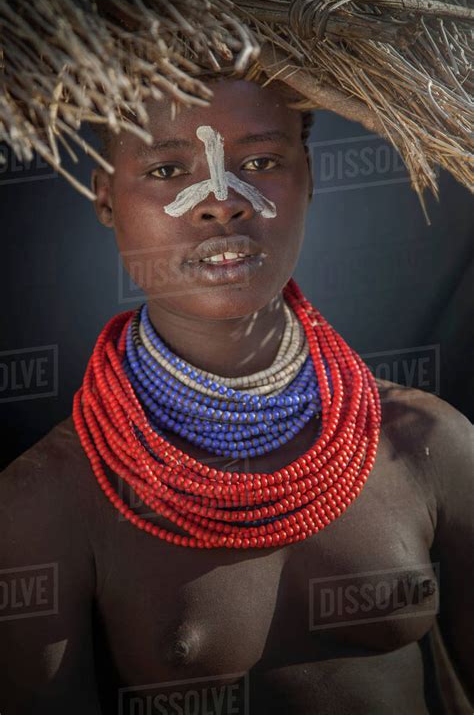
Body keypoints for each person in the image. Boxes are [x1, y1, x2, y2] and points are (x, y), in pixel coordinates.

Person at [0, 75, 472, 715]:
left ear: (308, 176)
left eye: (259, 162)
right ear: (105, 197)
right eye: (168, 168)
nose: (221, 201)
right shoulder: (44, 501)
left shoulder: (430, 442)